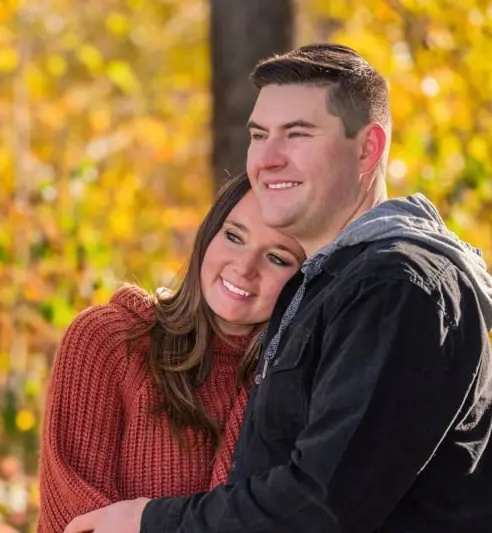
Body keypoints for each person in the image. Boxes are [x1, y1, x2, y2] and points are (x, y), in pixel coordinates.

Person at [64, 43, 492, 532]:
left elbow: (321, 508)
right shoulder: (324, 287)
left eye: (297, 134)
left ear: (368, 148)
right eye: (259, 134)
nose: (267, 158)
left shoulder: (396, 287)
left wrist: (151, 522)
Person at [36, 176, 305, 532]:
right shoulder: (111, 340)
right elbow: (75, 521)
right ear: (208, 235)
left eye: (277, 257)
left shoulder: (293, 378)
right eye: (234, 236)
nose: (244, 267)